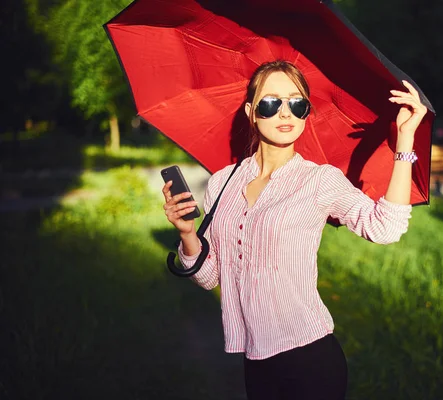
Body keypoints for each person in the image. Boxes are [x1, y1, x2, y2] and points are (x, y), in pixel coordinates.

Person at [161, 60, 427, 400]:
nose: (285, 113)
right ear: (251, 112)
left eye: (297, 104)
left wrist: (405, 141)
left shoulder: (320, 180)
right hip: (255, 362)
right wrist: (187, 233)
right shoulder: (221, 183)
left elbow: (386, 227)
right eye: (271, 103)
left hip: (310, 359)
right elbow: (210, 276)